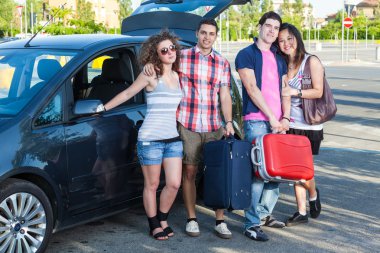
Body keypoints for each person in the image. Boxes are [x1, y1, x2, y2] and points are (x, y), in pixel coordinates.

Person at [144, 18, 235, 239]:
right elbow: (162, 69)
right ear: (197, 34)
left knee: (217, 174)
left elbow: (224, 94)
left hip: (214, 125)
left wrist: (229, 122)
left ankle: (220, 220)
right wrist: (148, 66)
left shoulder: (222, 63)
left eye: (211, 34)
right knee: (189, 173)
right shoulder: (182, 57)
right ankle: (192, 218)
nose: (207, 37)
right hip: (188, 124)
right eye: (203, 33)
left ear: (216, 36)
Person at [104, 30, 183, 240]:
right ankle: (154, 224)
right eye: (164, 50)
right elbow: (128, 93)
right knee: (152, 184)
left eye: (172, 48)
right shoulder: (150, 74)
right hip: (150, 139)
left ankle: (163, 217)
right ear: (156, 54)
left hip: (172, 138)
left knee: (174, 183)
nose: (169, 52)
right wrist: (104, 107)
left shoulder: (177, 75)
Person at [235, 11, 288, 241]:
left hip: (278, 122)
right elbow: (251, 89)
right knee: (258, 173)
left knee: (275, 173)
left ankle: (265, 214)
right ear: (259, 26)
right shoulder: (246, 54)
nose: (272, 31)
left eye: (276, 28)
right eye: (268, 26)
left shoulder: (279, 58)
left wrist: (285, 118)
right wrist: (272, 118)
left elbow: (285, 91)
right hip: (257, 120)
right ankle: (251, 224)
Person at [277, 23, 322, 226]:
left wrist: (296, 92)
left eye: (289, 38)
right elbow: (285, 97)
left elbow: (318, 91)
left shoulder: (311, 61)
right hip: (293, 124)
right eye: (281, 40)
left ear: (297, 38)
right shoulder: (285, 66)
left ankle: (313, 193)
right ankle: (301, 211)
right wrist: (285, 118)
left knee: (305, 170)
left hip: (311, 125)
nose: (286, 43)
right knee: (296, 170)